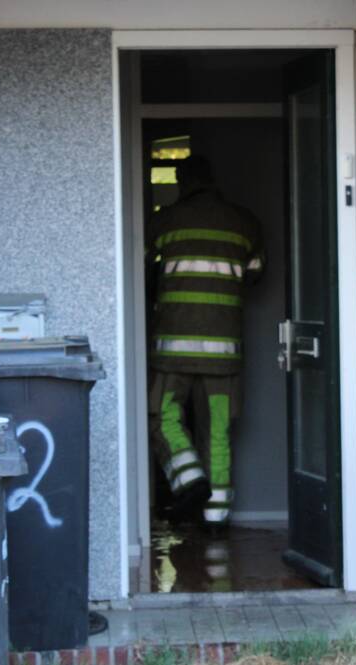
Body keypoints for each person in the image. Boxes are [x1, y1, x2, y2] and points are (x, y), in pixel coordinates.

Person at [147, 155, 264, 526]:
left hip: (172, 351)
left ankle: (189, 479)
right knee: (217, 430)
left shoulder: (163, 221)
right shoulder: (244, 222)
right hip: (223, 351)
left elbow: (143, 273)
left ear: (183, 182)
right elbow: (255, 275)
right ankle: (216, 521)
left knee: (162, 417)